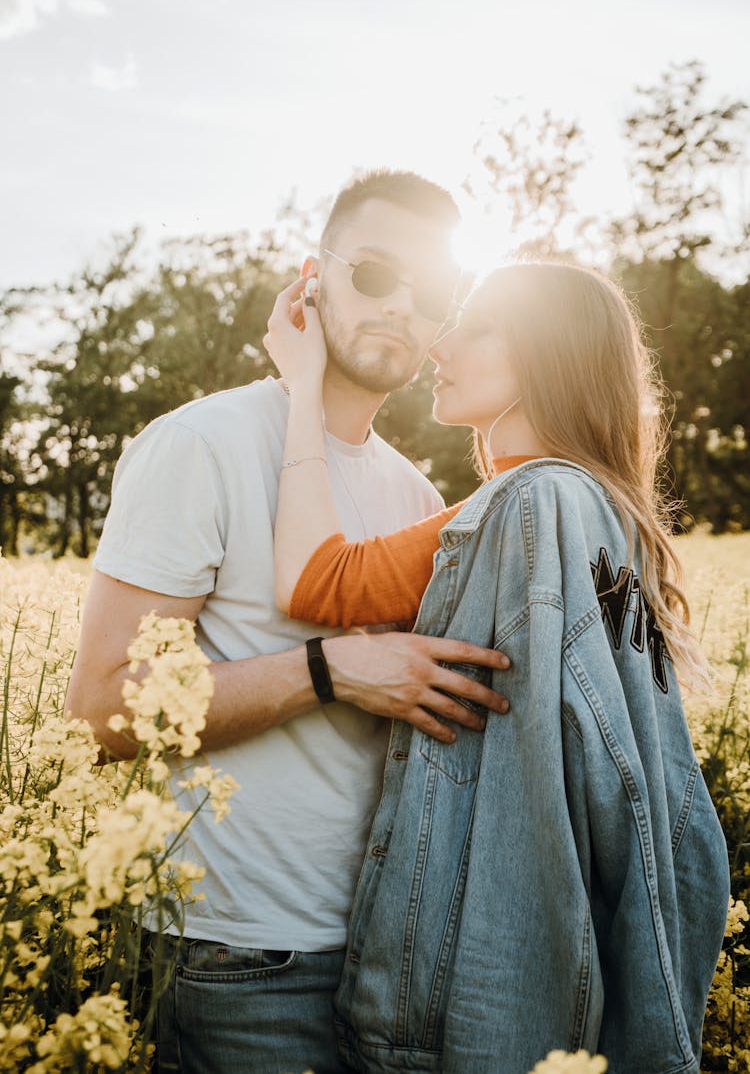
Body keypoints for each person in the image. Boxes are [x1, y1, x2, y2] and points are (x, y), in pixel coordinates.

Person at [64, 169, 514, 1074]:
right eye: (376, 274)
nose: (400, 308)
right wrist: (328, 670)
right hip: (234, 959)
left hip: (388, 953)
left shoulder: (415, 492)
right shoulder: (204, 443)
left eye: (429, 294)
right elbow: (99, 712)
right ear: (313, 276)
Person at [263, 260, 731, 1074]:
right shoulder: (600, 508)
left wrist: (303, 385)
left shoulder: (530, 507)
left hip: (482, 993)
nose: (440, 343)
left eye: (475, 328)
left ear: (546, 357)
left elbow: (314, 579)